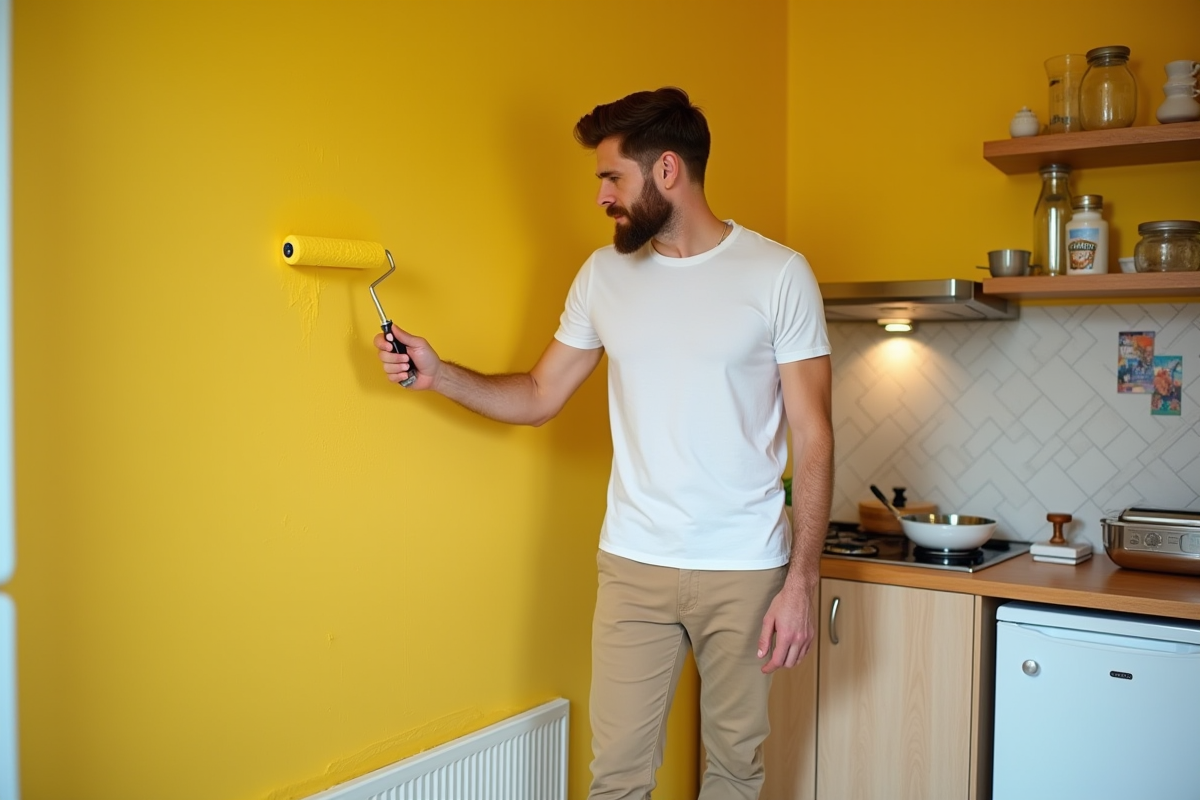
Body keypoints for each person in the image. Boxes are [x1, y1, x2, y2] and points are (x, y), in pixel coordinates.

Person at [375, 87, 833, 800]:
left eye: (612, 177)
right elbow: (538, 394)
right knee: (616, 778)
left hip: (744, 568)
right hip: (633, 566)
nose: (601, 197)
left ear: (667, 170)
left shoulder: (778, 274)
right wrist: (440, 376)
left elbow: (814, 432)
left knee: (734, 771)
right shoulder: (603, 276)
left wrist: (802, 581)